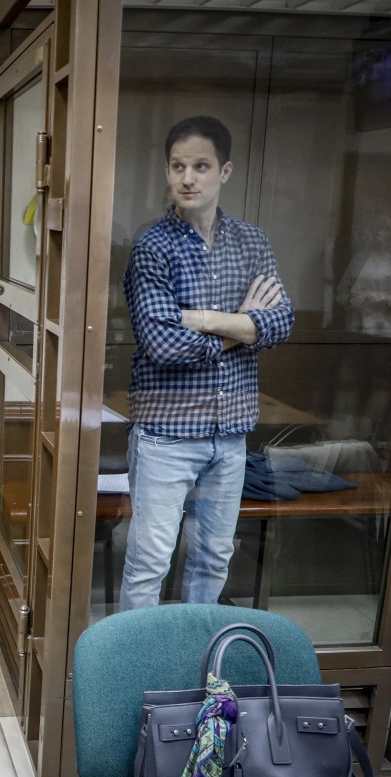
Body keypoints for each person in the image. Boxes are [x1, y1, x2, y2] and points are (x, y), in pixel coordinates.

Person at [120, 116, 294, 611]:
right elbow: (162, 343)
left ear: (225, 171)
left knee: (215, 558)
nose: (188, 178)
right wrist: (243, 325)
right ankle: (136, 657)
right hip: (166, 435)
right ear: (167, 172)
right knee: (150, 563)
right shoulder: (153, 246)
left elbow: (281, 322)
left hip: (230, 432)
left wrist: (205, 319)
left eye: (200, 166)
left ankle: (196, 654)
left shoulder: (252, 242)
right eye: (178, 166)